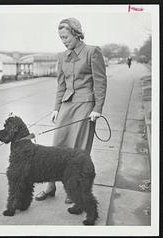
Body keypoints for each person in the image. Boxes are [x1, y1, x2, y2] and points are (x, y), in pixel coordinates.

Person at [35, 17, 107, 203]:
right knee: (57, 146)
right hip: (67, 105)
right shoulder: (61, 56)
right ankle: (50, 185)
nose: (64, 40)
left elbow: (100, 82)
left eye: (66, 36)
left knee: (79, 149)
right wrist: (56, 108)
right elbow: (61, 85)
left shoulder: (93, 51)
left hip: (86, 106)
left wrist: (97, 108)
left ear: (76, 33)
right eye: (61, 38)